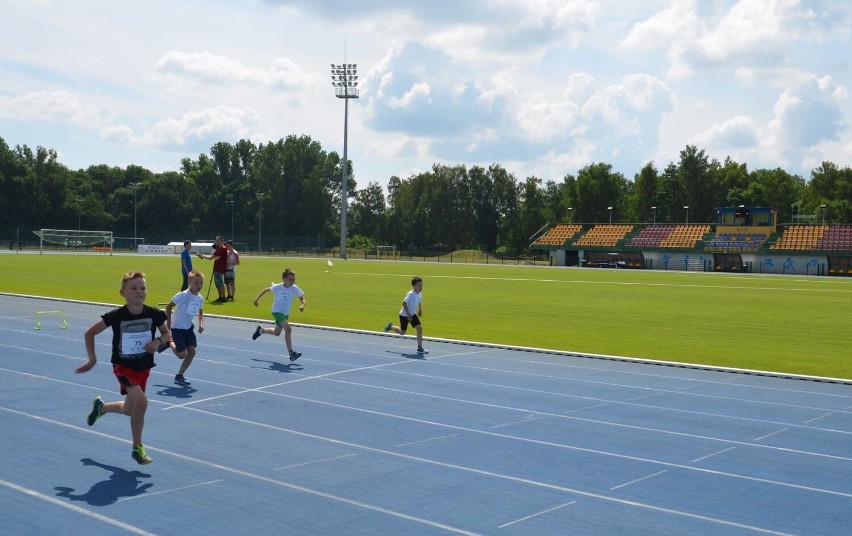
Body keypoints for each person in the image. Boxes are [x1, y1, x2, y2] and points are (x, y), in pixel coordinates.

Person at [76, 270, 170, 465]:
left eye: (143, 288)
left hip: (143, 368)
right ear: (123, 293)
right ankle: (138, 448)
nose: (139, 291)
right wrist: (92, 359)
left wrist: (158, 341)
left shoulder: (154, 314)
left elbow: (167, 334)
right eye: (134, 288)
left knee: (130, 409)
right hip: (124, 367)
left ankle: (101, 408)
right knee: (142, 403)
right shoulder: (116, 316)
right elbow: (89, 333)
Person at [251, 268, 305, 362]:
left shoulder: (294, 288)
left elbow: (302, 299)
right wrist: (257, 299)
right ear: (284, 279)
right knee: (288, 329)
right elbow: (266, 290)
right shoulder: (278, 287)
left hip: (285, 313)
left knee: (277, 333)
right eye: (290, 279)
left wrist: (302, 305)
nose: (292, 281)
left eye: (293, 279)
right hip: (276, 311)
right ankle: (291, 353)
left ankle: (261, 330)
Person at [162, 270, 205, 385]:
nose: (199, 285)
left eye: (201, 283)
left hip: (189, 328)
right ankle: (169, 341)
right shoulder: (183, 295)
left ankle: (179, 375)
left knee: (192, 352)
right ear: (189, 282)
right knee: (182, 355)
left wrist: (201, 324)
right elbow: (168, 306)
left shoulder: (200, 298)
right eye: (196, 283)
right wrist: (169, 322)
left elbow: (200, 312)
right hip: (178, 328)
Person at [384, 276, 426, 354]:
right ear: (413, 286)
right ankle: (390, 327)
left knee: (419, 328)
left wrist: (420, 309)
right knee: (403, 332)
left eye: (421, 285)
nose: (421, 287)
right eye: (419, 286)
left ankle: (420, 348)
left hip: (413, 314)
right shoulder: (410, 294)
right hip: (404, 315)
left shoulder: (420, 294)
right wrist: (408, 314)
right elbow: (404, 303)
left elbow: (419, 301)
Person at [197, 236, 228, 302]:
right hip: (216, 269)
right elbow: (211, 258)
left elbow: (217, 258)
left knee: (220, 283)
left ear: (220, 240)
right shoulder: (218, 248)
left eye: (217, 240)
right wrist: (202, 255)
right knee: (217, 284)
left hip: (220, 269)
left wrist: (215, 257)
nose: (215, 241)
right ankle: (220, 297)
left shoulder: (223, 248)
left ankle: (223, 297)